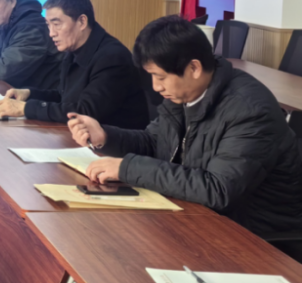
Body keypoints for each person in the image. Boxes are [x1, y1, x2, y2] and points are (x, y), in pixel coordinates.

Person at [68, 15, 302, 237]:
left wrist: (127, 168)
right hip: (203, 217)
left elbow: (218, 189)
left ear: (194, 68)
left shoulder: (250, 110)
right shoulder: (185, 93)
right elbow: (155, 142)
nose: (156, 87)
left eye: (160, 77)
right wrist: (105, 136)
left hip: (255, 236)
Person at [0, 0, 149, 129]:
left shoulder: (112, 58)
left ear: (82, 22)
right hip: (81, 138)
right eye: (48, 25)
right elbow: (65, 97)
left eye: (57, 24)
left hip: (113, 145)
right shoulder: (73, 50)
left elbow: (85, 111)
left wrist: (25, 108)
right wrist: (29, 94)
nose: (51, 33)